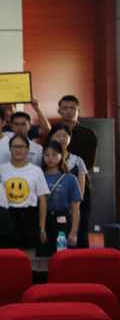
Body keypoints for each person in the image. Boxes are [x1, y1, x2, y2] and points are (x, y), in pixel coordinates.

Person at [57, 95, 97, 248]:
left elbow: (89, 163)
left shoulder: (89, 134)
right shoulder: (55, 132)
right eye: (65, 108)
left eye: (72, 108)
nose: (68, 111)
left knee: (81, 226)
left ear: (79, 111)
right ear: (59, 111)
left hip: (80, 184)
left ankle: (82, 258)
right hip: (57, 185)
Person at [0, 134, 50, 258]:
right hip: (8, 215)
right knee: (8, 257)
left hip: (29, 217)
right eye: (15, 147)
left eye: (21, 147)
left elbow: (43, 200)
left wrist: (42, 227)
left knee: (29, 258)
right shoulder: (1, 169)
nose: (18, 150)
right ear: (10, 149)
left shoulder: (36, 170)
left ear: (27, 149)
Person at [38, 140, 82, 257]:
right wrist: (42, 228)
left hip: (63, 220)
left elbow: (75, 207)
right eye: (46, 155)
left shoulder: (70, 178)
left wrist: (73, 232)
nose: (50, 158)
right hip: (43, 219)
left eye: (54, 155)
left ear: (61, 156)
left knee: (64, 257)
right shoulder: (38, 175)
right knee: (44, 255)